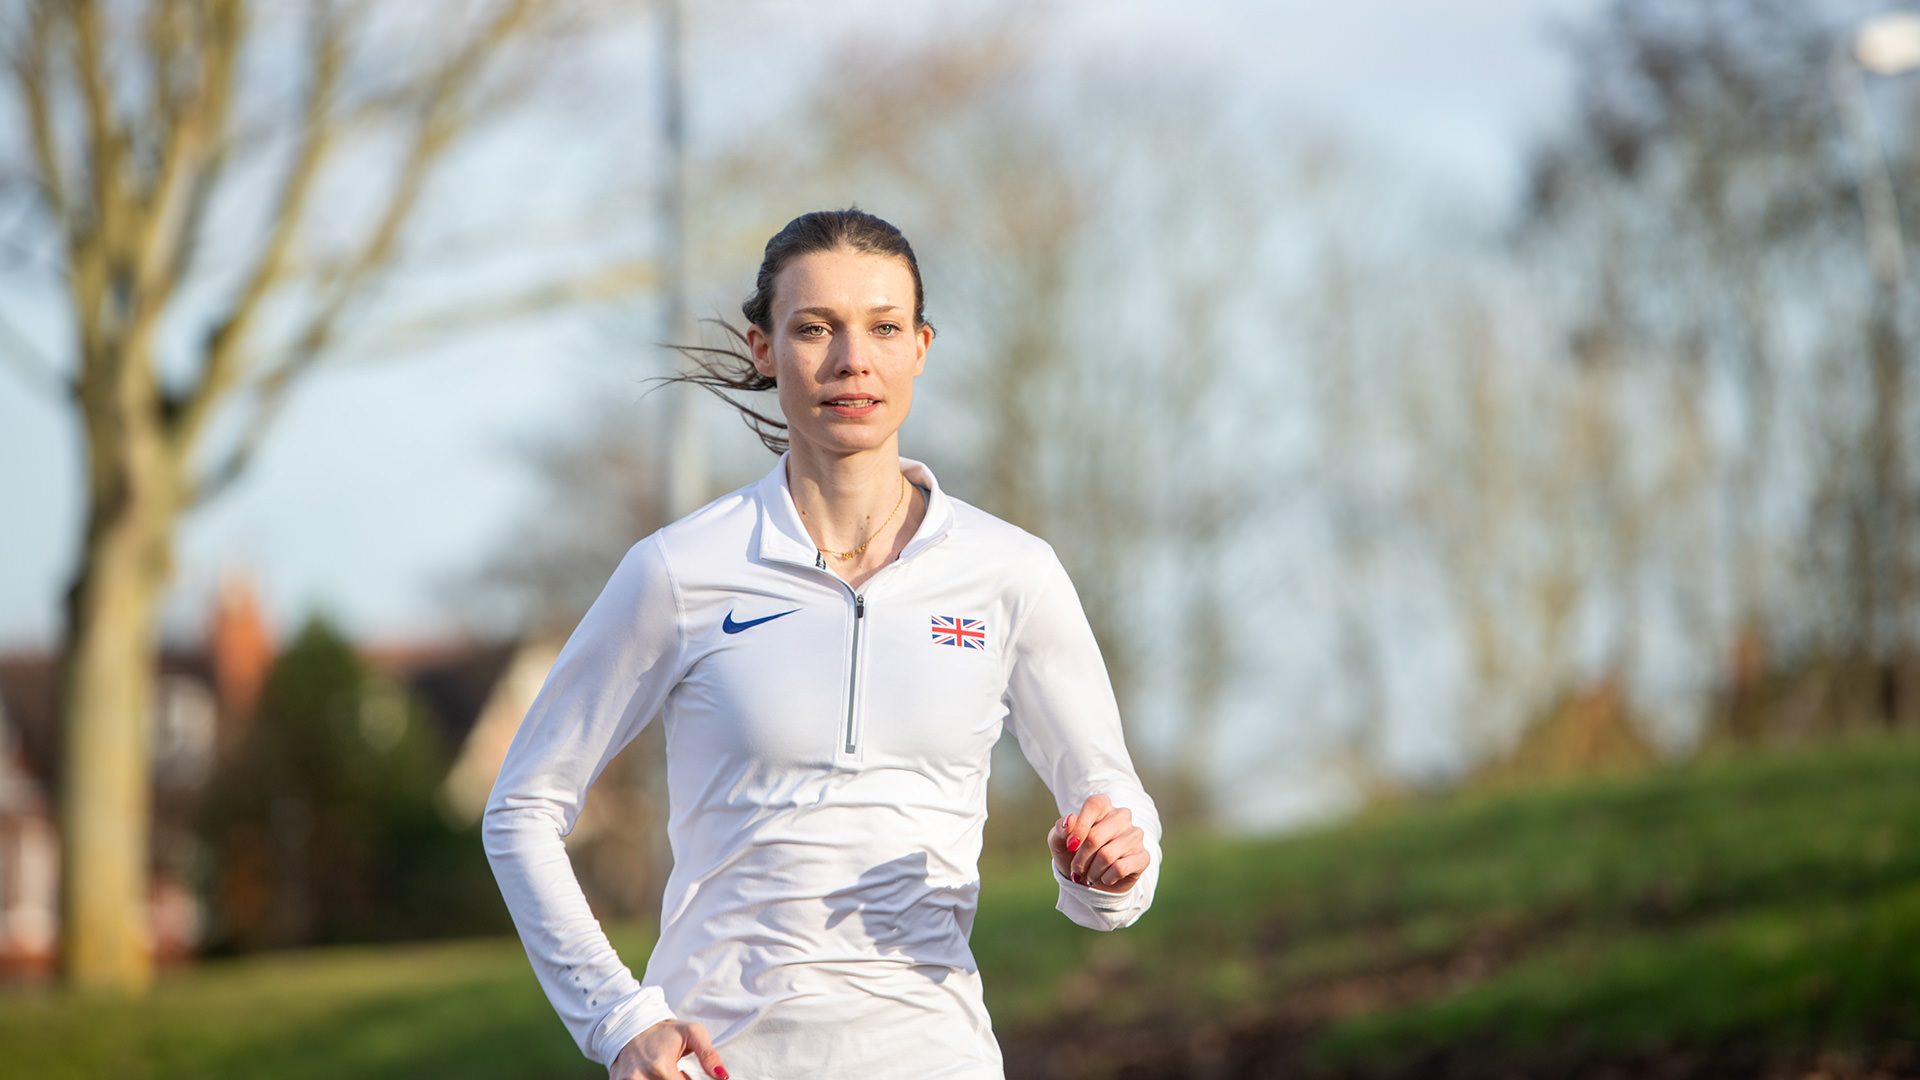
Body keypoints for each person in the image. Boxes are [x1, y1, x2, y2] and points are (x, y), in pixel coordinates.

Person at [483, 209, 1162, 1080]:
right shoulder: (678, 570)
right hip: (719, 1061)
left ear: (920, 347)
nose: (852, 360)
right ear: (763, 348)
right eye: (814, 328)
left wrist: (1107, 872)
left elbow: (1116, 813)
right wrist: (618, 1021)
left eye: (882, 328)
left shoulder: (1012, 573)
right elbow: (522, 808)